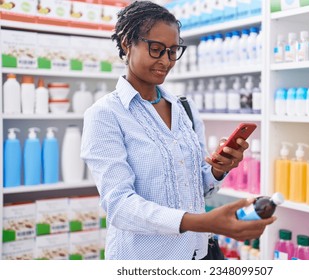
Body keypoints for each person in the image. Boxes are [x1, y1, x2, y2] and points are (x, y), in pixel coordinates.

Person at [80, 0, 276, 260]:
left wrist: (218, 169)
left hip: (198, 253)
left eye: (173, 51)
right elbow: (119, 206)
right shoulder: (105, 115)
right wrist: (202, 222)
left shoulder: (184, 107)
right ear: (127, 43)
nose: (166, 61)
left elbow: (198, 188)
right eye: (157, 49)